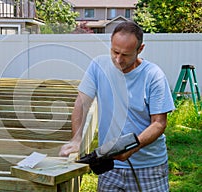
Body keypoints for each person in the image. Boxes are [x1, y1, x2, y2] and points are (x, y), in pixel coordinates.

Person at [59, 21, 175, 191]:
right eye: (115, 52)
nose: (118, 60)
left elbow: (159, 123)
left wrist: (133, 146)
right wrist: (76, 139)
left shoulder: (153, 75)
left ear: (140, 49)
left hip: (149, 166)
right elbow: (81, 104)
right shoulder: (98, 66)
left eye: (126, 55)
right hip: (110, 165)